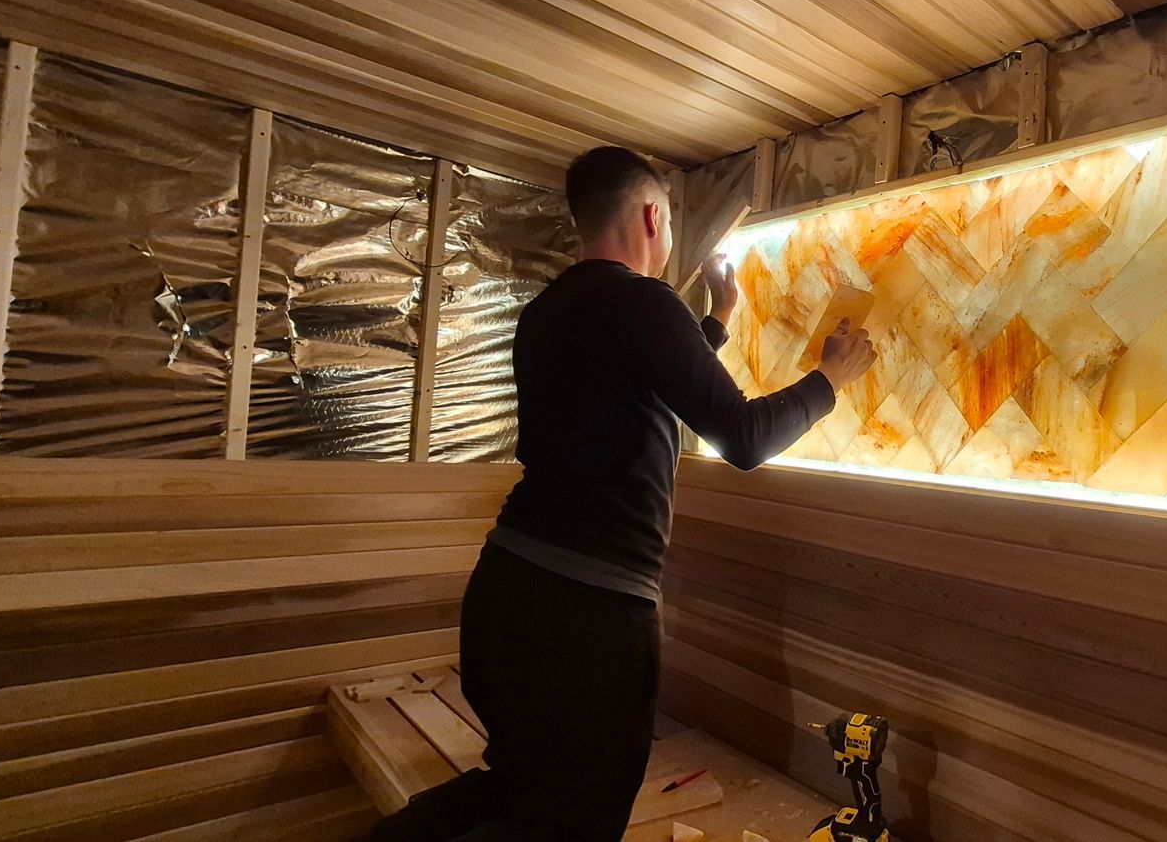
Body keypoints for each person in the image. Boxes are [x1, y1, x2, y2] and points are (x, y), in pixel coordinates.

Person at [368, 146, 875, 840]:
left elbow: (636, 386)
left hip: (506, 593)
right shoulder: (643, 302)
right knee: (576, 820)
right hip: (588, 619)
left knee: (516, 785)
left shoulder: (547, 312)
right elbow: (744, 437)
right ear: (650, 215)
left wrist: (719, 319)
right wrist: (830, 381)